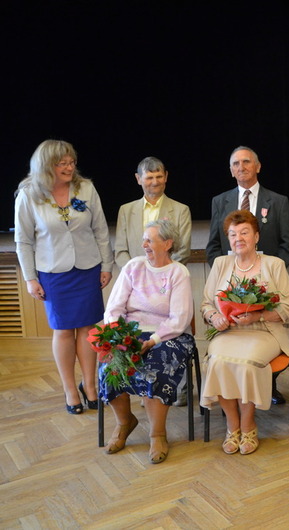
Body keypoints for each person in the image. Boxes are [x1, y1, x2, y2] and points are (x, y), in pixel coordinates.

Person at [14, 139, 113, 415]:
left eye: (71, 162)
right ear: (46, 166)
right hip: (52, 273)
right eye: (62, 164)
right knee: (63, 330)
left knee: (89, 328)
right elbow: (23, 241)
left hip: (87, 268)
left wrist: (107, 265)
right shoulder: (28, 194)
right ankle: (70, 390)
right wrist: (30, 278)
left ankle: (90, 385)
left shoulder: (85, 188)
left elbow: (101, 229)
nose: (70, 167)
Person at [100, 220, 195, 463]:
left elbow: (180, 319)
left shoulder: (178, 272)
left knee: (156, 368)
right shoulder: (133, 267)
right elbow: (114, 308)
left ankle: (157, 433)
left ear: (168, 243)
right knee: (110, 365)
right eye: (144, 239)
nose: (144, 245)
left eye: (150, 240)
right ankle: (124, 423)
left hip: (168, 335)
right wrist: (119, 335)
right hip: (130, 332)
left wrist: (152, 340)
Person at [201, 210, 289, 455]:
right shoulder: (221, 264)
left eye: (244, 232)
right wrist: (215, 317)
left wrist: (258, 315)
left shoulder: (273, 264)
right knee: (218, 361)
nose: (238, 238)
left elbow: (288, 306)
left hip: (265, 331)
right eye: (232, 234)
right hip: (228, 332)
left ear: (256, 236)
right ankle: (232, 426)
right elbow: (205, 305)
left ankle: (248, 424)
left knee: (245, 363)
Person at [206, 146, 289, 405]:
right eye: (236, 163)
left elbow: (287, 245)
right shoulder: (219, 201)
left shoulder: (278, 201)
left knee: (260, 341)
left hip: (267, 284)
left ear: (258, 166)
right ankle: (230, 394)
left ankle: (270, 385)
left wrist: (268, 273)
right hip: (230, 288)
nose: (241, 167)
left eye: (247, 162)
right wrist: (227, 274)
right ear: (231, 170)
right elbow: (213, 244)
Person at [115, 156, 192, 268]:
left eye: (159, 176)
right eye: (149, 178)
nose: (155, 182)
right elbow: (121, 251)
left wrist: (160, 272)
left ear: (166, 176)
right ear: (138, 179)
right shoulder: (126, 211)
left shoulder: (181, 210)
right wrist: (135, 273)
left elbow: (183, 251)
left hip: (168, 278)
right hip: (135, 279)